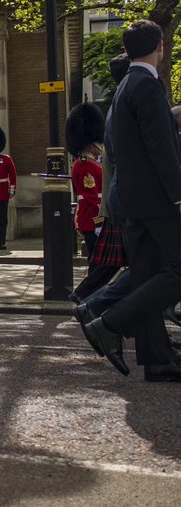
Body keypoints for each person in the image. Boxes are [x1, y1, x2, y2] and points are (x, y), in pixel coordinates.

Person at [80, 19, 181, 382]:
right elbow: (162, 151)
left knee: (149, 275)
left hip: (133, 201)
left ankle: (158, 359)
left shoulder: (126, 86)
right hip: (157, 202)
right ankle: (109, 324)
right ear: (160, 46)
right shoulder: (148, 87)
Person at [66, 105, 104, 258]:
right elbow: (91, 197)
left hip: (93, 218)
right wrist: (100, 221)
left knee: (98, 260)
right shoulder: (85, 164)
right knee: (97, 261)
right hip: (92, 219)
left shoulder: (91, 162)